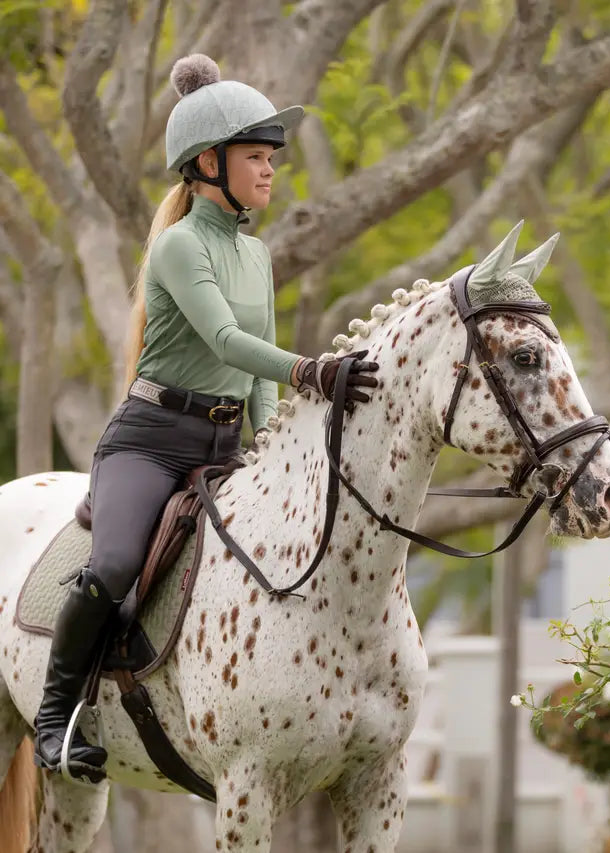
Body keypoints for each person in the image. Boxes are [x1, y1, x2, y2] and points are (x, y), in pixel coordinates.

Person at [33, 54, 379, 782]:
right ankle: (55, 718)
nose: (269, 169)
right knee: (116, 563)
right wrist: (311, 369)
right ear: (208, 163)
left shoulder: (255, 254)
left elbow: (254, 381)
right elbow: (226, 340)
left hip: (222, 444)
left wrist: (270, 445)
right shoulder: (180, 245)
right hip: (151, 443)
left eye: (271, 158)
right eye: (256, 156)